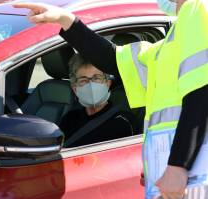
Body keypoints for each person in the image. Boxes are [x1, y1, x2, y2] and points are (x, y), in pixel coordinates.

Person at [13, 0, 208, 198]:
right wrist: (65, 19)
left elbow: (202, 92)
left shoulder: (196, 8)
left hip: (192, 174)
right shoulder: (167, 45)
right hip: (175, 173)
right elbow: (113, 59)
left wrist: (178, 166)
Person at [59, 53, 134, 147]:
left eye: (97, 78)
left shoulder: (123, 121)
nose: (91, 85)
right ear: (75, 88)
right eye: (83, 80)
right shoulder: (69, 119)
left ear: (108, 83)